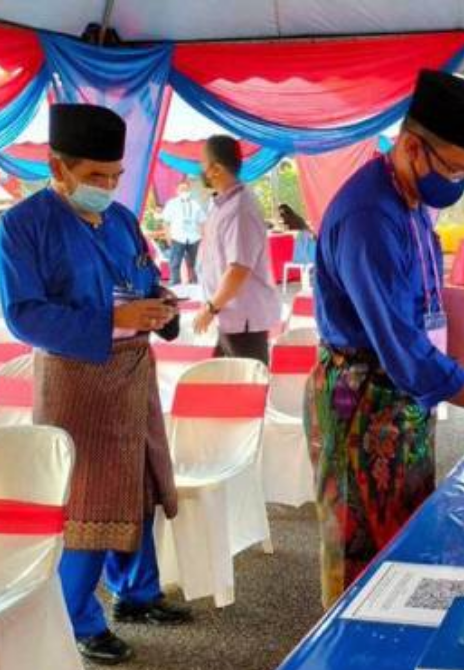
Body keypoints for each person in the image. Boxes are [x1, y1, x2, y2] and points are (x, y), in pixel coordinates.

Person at [309, 69, 464, 607]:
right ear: (410, 145)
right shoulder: (367, 217)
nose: (458, 182)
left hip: (400, 397)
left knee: (406, 534)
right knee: (360, 549)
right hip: (362, 398)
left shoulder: (409, 197)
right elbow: (404, 351)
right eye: (452, 167)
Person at [0, 104, 190, 665]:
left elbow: (147, 277)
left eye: (114, 175)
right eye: (94, 178)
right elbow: (26, 316)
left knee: (138, 483)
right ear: (58, 169)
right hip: (77, 380)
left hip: (133, 373)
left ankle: (138, 593)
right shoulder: (22, 226)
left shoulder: (122, 218)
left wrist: (163, 307)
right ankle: (78, 618)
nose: (107, 187)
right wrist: (115, 321)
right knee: (87, 500)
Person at [193, 135, 282, 365]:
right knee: (225, 387)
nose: (199, 169)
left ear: (216, 169)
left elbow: (238, 269)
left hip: (243, 320)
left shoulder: (240, 209)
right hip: (230, 315)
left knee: (246, 390)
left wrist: (211, 308)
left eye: (202, 163)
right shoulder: (222, 204)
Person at [161, 179, 207, 285]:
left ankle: (198, 285)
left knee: (196, 264)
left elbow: (202, 222)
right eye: (182, 189)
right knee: (175, 263)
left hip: (194, 238)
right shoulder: (172, 203)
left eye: (186, 189)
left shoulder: (195, 204)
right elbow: (166, 222)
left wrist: (204, 237)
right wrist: (168, 236)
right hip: (178, 237)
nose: (184, 191)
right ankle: (175, 286)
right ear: (177, 190)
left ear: (189, 190)